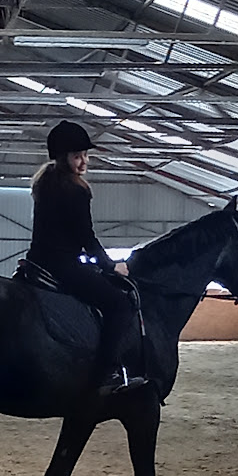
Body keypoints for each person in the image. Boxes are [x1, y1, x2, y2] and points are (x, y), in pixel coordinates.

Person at [26, 120, 147, 396]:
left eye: (85, 155)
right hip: (62, 265)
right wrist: (111, 266)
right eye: (77, 156)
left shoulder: (45, 181)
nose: (84, 161)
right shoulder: (75, 189)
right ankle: (106, 372)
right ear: (62, 157)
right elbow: (86, 237)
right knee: (120, 304)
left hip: (38, 260)